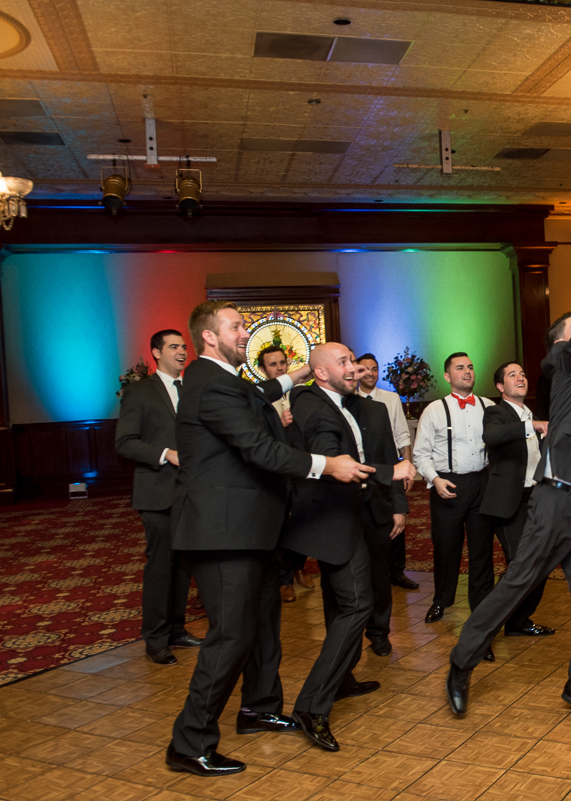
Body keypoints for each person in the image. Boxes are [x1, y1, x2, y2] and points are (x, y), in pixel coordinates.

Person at [166, 301, 362, 778]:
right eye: (236, 326)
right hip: (221, 532)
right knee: (230, 635)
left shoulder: (223, 381)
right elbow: (257, 448)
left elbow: (258, 393)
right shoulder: (211, 384)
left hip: (250, 529)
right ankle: (189, 742)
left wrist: (295, 376)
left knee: (261, 625)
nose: (244, 333)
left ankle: (257, 707)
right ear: (209, 337)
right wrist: (325, 464)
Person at [447, 219, 571, 722]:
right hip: (551, 502)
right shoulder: (562, 365)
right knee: (516, 587)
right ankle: (461, 662)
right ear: (560, 344)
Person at [280, 343, 416, 750]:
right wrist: (393, 471)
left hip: (350, 517)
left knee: (344, 603)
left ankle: (341, 681)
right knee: (358, 604)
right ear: (321, 373)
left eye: (353, 361)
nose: (353, 368)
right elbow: (330, 460)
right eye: (343, 363)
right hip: (329, 520)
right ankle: (311, 705)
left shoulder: (343, 402)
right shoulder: (312, 402)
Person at [115, 329, 202, 665]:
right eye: (174, 347)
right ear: (156, 352)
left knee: (183, 567)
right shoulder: (139, 392)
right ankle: (155, 638)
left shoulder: (192, 390)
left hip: (192, 493)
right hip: (157, 492)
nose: (182, 352)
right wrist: (167, 452)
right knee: (161, 568)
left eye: (184, 346)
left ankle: (177, 629)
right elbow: (124, 442)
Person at [412, 352, 495, 627]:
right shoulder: (434, 410)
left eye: (470, 367)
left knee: (482, 549)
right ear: (448, 376)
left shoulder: (488, 406)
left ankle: (481, 606)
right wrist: (434, 479)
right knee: (446, 548)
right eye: (460, 368)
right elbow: (420, 454)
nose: (467, 372)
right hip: (447, 484)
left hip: (482, 484)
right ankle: (441, 599)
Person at [481, 361, 555, 639]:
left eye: (523, 373)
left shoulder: (529, 412)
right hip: (509, 503)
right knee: (522, 565)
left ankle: (518, 621)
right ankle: (489, 621)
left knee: (542, 563)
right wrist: (529, 426)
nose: (520, 377)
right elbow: (492, 436)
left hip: (535, 499)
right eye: (512, 375)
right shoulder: (497, 412)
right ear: (501, 387)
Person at [357, 353, 418, 590]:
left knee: (396, 513)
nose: (371, 373)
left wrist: (407, 467)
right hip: (366, 466)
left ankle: (397, 571)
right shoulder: (350, 399)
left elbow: (402, 434)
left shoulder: (390, 398)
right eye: (365, 369)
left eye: (374, 369)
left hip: (391, 464)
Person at [260, 344, 312, 603]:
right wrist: (279, 426)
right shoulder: (259, 400)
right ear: (262, 369)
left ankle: (300, 567)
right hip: (277, 472)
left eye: (282, 363)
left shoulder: (302, 394)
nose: (279, 367)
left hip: (304, 469)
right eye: (273, 364)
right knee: (280, 526)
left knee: (304, 522)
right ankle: (284, 580)